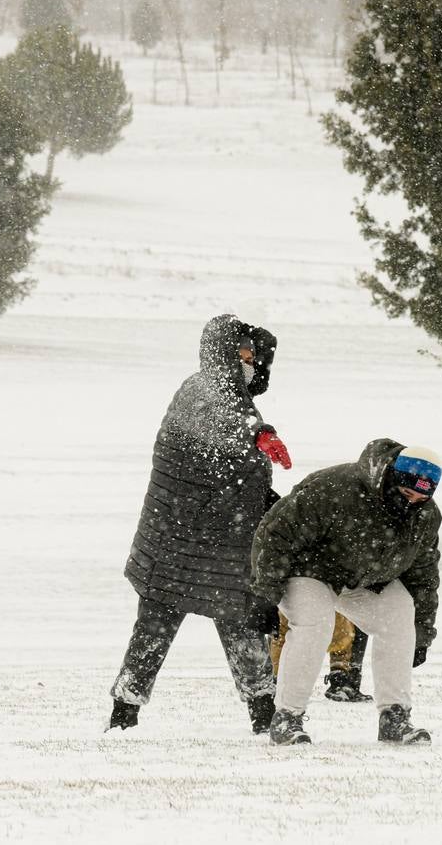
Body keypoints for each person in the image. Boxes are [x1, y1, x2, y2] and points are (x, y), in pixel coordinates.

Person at [108, 314, 293, 734]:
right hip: (194, 543)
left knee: (199, 627)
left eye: (253, 353)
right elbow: (222, 434)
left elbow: (230, 456)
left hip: (198, 542)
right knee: (185, 627)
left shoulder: (223, 392)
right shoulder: (207, 391)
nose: (252, 359)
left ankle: (262, 714)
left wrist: (260, 463)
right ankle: (125, 715)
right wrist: (260, 436)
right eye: (245, 352)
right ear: (227, 354)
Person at [250, 440, 442, 746]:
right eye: (407, 493)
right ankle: (287, 717)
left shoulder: (425, 516)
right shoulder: (336, 488)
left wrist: (422, 632)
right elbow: (275, 532)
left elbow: (423, 575)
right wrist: (264, 594)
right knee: (316, 624)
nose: (411, 503)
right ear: (392, 476)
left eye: (421, 498)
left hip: (362, 581)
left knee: (401, 614)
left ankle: (395, 718)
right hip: (308, 570)